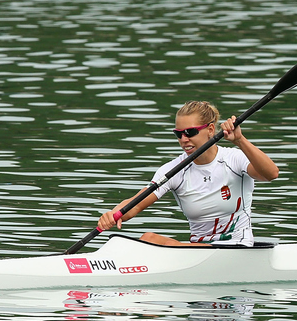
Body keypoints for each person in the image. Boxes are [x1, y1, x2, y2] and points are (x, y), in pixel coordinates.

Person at [96, 101, 280, 246]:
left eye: (190, 132)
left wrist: (239, 140)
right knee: (146, 238)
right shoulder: (174, 169)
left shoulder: (233, 159)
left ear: (209, 130)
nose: (184, 140)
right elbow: (135, 204)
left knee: (151, 240)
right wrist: (113, 214)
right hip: (197, 251)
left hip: (236, 246)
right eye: (178, 134)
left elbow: (271, 174)